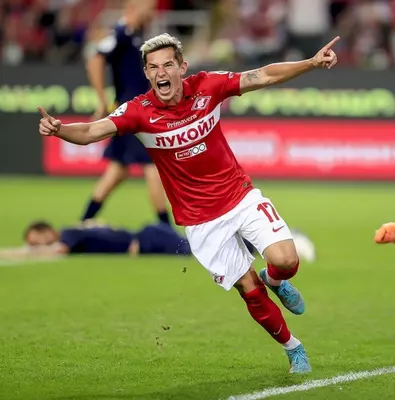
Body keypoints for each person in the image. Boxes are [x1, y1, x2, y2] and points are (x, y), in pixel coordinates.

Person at [37, 32, 340, 373]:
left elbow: (263, 75)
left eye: (168, 65)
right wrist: (60, 129)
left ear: (182, 67)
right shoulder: (139, 112)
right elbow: (93, 131)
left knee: (286, 261)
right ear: (147, 73)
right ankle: (293, 348)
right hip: (200, 221)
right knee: (249, 290)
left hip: (239, 196)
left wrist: (311, 63)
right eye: (153, 67)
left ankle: (275, 280)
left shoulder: (208, 86)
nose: (161, 72)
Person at [82, 0, 171, 226]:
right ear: (133, 9)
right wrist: (102, 100)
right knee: (152, 165)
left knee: (117, 172)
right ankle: (166, 228)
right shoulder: (121, 33)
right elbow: (95, 60)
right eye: (149, 10)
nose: (152, 14)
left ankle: (82, 223)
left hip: (135, 112)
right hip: (133, 113)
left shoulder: (136, 34)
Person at [0, 220, 190, 260]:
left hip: (149, 238)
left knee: (195, 251)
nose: (36, 246)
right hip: (147, 240)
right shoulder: (74, 231)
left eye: (36, 242)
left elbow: (59, 250)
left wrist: (15, 253)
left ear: (47, 232)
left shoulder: (68, 234)